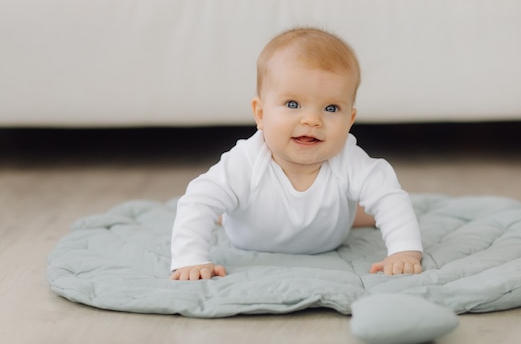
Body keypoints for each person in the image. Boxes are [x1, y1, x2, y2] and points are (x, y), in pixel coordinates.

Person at [170, 27, 423, 281]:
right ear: (260, 113)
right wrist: (190, 260)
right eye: (293, 104)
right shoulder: (246, 160)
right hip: (249, 231)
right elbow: (197, 200)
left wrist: (404, 252)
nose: (312, 120)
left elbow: (389, 197)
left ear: (350, 120)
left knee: (385, 204)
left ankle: (355, 214)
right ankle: (226, 213)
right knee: (215, 205)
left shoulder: (348, 159)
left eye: (331, 108)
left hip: (328, 234)